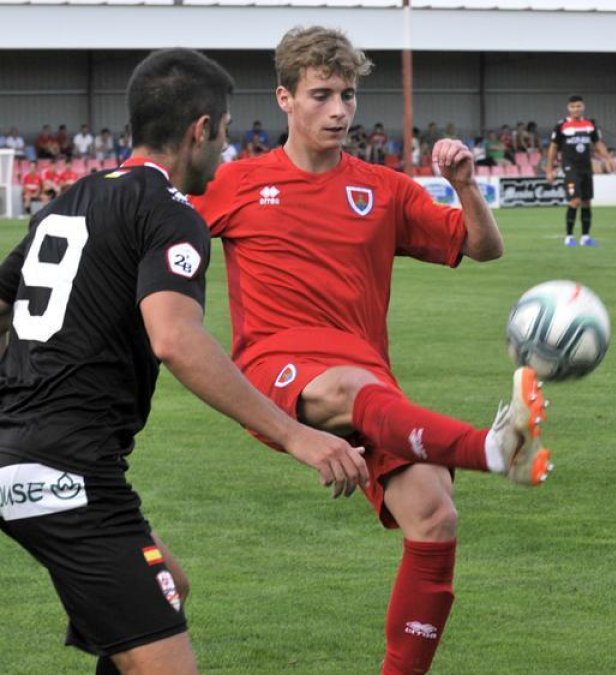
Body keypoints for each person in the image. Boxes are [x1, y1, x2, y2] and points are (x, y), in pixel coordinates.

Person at [190, 26, 552, 675]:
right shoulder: (239, 182)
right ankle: (492, 447)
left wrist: (465, 184)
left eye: (348, 96)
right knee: (351, 388)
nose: (338, 111)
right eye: (321, 94)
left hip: (369, 388)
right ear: (285, 98)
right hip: (279, 369)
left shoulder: (382, 189)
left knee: (434, 512)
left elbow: (482, 247)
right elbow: (155, 223)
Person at [0, 47, 368, 675]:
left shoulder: (67, 201)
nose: (226, 149)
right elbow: (175, 339)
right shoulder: (168, 210)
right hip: (69, 471)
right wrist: (296, 435)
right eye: (224, 134)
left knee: (167, 582)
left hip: (28, 455)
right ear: (201, 129)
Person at [545, 94, 615, 247]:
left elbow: (598, 144)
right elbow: (553, 147)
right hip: (570, 168)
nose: (576, 109)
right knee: (575, 200)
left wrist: (608, 158)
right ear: (568, 108)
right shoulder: (561, 125)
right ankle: (569, 237)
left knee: (586, 201)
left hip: (586, 168)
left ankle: (585, 237)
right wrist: (549, 169)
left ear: (583, 107)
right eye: (573, 107)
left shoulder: (589, 125)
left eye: (578, 106)